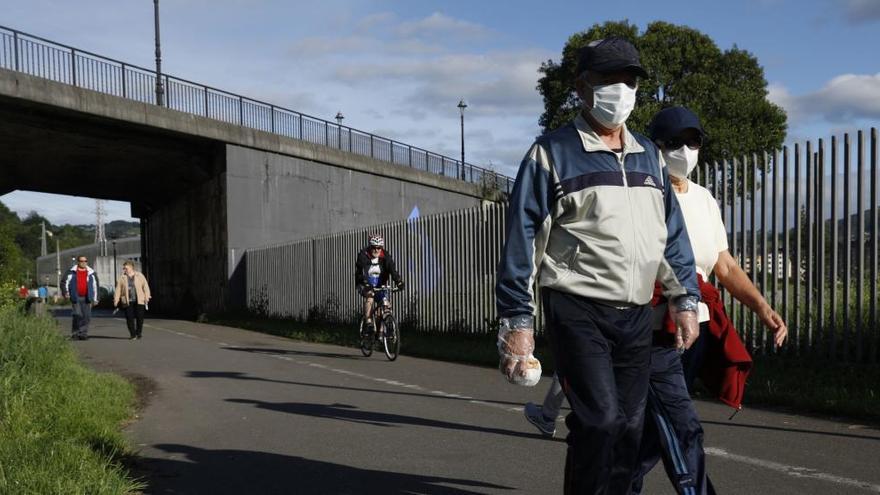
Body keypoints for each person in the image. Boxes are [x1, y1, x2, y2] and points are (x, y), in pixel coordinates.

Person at [496, 37, 701, 494]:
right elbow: (523, 239)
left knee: (630, 426)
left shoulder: (650, 154)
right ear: (582, 86)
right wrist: (517, 319)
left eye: (628, 80)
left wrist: (685, 298)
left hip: (635, 314)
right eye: (609, 79)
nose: (620, 89)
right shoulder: (550, 153)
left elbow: (670, 237)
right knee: (601, 420)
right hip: (577, 306)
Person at [624, 106, 789, 495]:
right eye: (674, 142)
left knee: (653, 428)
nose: (685, 149)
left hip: (695, 329)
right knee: (680, 425)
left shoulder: (704, 199)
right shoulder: (639, 190)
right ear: (655, 146)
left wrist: (762, 307)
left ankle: (615, 486)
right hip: (655, 330)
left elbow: (724, 266)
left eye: (693, 140)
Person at [354, 235, 403, 336]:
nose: (376, 250)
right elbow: (360, 270)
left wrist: (399, 281)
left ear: (382, 248)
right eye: (374, 247)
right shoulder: (364, 254)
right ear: (370, 247)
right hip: (364, 282)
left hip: (380, 284)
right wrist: (365, 282)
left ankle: (381, 332)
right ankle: (368, 323)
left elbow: (392, 269)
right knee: (370, 296)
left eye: (379, 248)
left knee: (385, 304)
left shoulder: (385, 256)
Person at [114, 260, 151, 340]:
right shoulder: (122, 278)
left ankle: (139, 333)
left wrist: (147, 296)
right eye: (124, 268)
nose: (124, 270)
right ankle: (133, 334)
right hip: (127, 301)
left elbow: (145, 287)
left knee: (140, 317)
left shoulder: (139, 275)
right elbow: (118, 290)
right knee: (129, 318)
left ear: (131, 267)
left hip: (139, 300)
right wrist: (116, 300)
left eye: (126, 268)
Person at [63, 255, 99, 340]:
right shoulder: (71, 272)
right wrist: (66, 292)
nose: (83, 263)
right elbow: (64, 283)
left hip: (87, 297)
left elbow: (95, 286)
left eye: (85, 261)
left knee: (86, 316)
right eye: (81, 261)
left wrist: (96, 298)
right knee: (77, 315)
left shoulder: (91, 273)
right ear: (78, 262)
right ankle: (75, 334)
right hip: (76, 297)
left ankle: (83, 334)